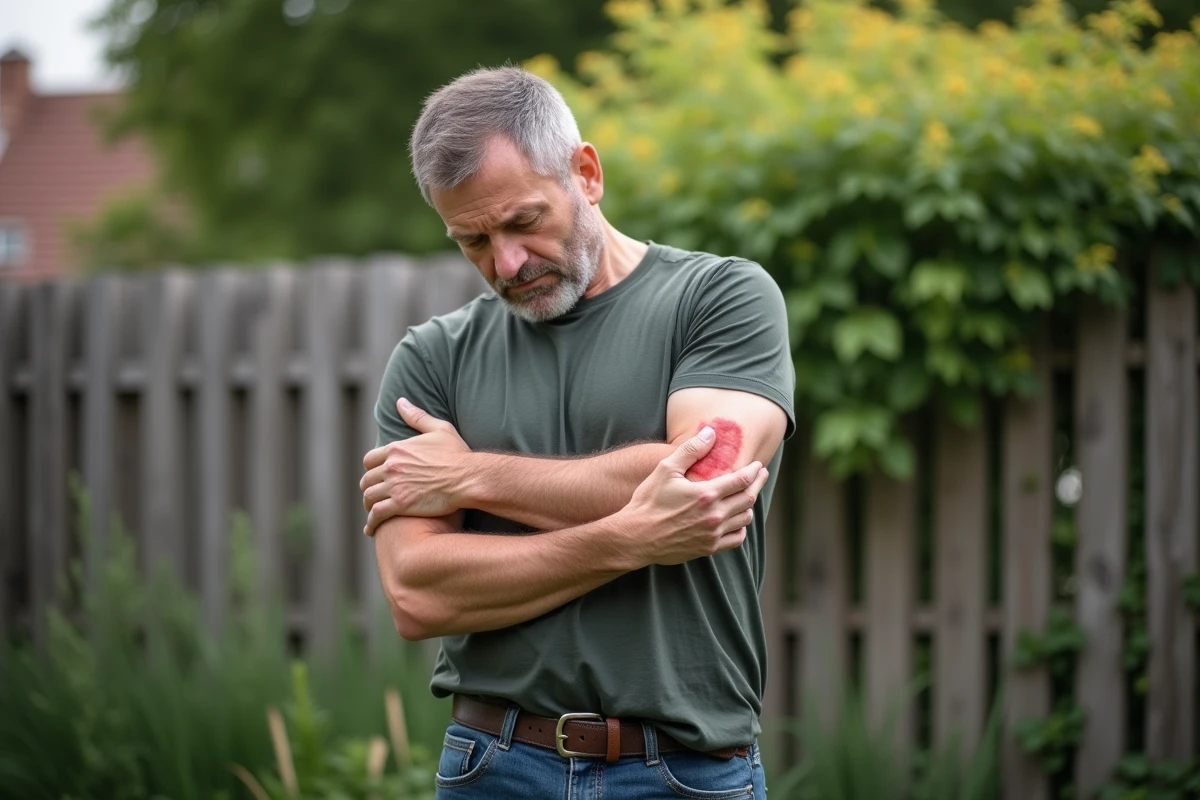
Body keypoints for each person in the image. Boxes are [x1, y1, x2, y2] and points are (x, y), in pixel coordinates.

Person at [359, 66, 794, 799]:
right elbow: (419, 595)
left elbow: (704, 479)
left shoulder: (719, 298)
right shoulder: (432, 358)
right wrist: (629, 538)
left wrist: (470, 478)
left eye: (524, 221)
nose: (506, 262)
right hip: (492, 765)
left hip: (681, 772)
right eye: (472, 240)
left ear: (586, 174)